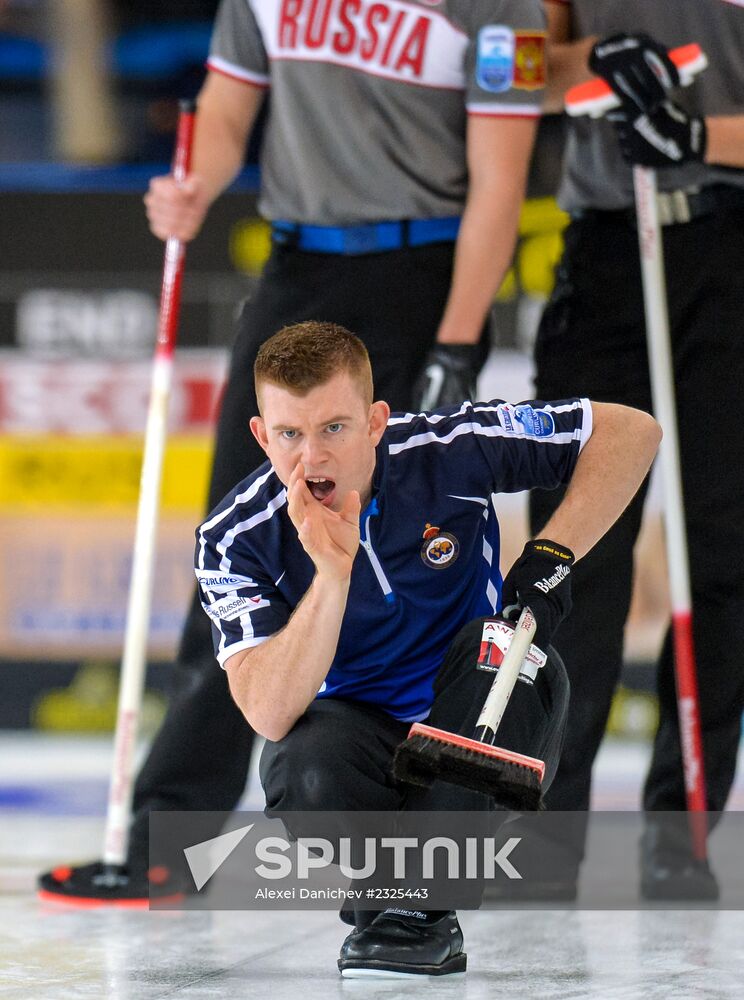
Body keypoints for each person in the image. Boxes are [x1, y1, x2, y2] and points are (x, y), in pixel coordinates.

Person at [39, 0, 551, 903]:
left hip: (417, 272)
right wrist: (194, 183)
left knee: (404, 545)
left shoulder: (496, 8)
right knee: (238, 548)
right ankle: (168, 841)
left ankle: (432, 850)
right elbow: (228, 113)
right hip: (295, 271)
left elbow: (500, 182)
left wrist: (456, 341)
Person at [194, 320, 659, 977]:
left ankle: (411, 909)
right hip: (364, 733)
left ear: (376, 422)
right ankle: (405, 908)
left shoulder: (450, 447)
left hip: (493, 707)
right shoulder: (234, 538)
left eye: (334, 428)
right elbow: (269, 712)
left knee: (494, 648)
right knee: (301, 768)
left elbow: (631, 431)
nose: (312, 459)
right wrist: (331, 573)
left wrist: (553, 555)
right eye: (290, 434)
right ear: (260, 434)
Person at [499, 0, 744, 902]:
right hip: (607, 248)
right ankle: (547, 830)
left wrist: (693, 133)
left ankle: (681, 830)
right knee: (573, 553)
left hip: (730, 242)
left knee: (721, 553)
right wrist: (595, 60)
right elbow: (508, 76)